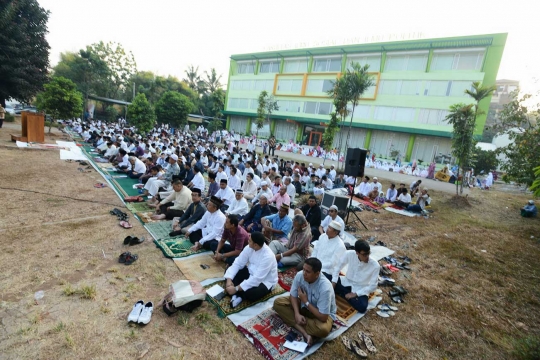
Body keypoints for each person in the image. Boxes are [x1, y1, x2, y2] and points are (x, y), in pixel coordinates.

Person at [273, 258, 337, 345]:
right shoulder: (300, 275)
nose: (304, 273)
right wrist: (296, 314)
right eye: (303, 269)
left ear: (317, 274)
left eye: (308, 271)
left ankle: (297, 324)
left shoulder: (325, 288)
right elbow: (293, 295)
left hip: (320, 314)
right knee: (278, 303)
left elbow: (323, 317)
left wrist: (305, 301)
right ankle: (304, 331)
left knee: (323, 330)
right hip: (304, 307)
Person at [224, 232, 278, 308]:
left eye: (249, 241)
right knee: (228, 270)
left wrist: (236, 288)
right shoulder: (249, 247)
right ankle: (236, 293)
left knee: (251, 293)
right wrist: (229, 280)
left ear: (255, 245)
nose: (248, 241)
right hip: (250, 273)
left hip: (264, 281)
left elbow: (257, 279)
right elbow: (238, 262)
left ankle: (237, 295)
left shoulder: (268, 256)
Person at [331, 240, 379, 313]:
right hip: (346, 282)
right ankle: (344, 293)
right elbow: (337, 267)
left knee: (362, 307)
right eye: (364, 254)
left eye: (368, 253)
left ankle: (341, 292)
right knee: (327, 277)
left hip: (360, 288)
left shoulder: (375, 265)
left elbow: (373, 287)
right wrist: (334, 282)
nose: (367, 257)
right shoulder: (349, 254)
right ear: (357, 253)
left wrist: (355, 294)